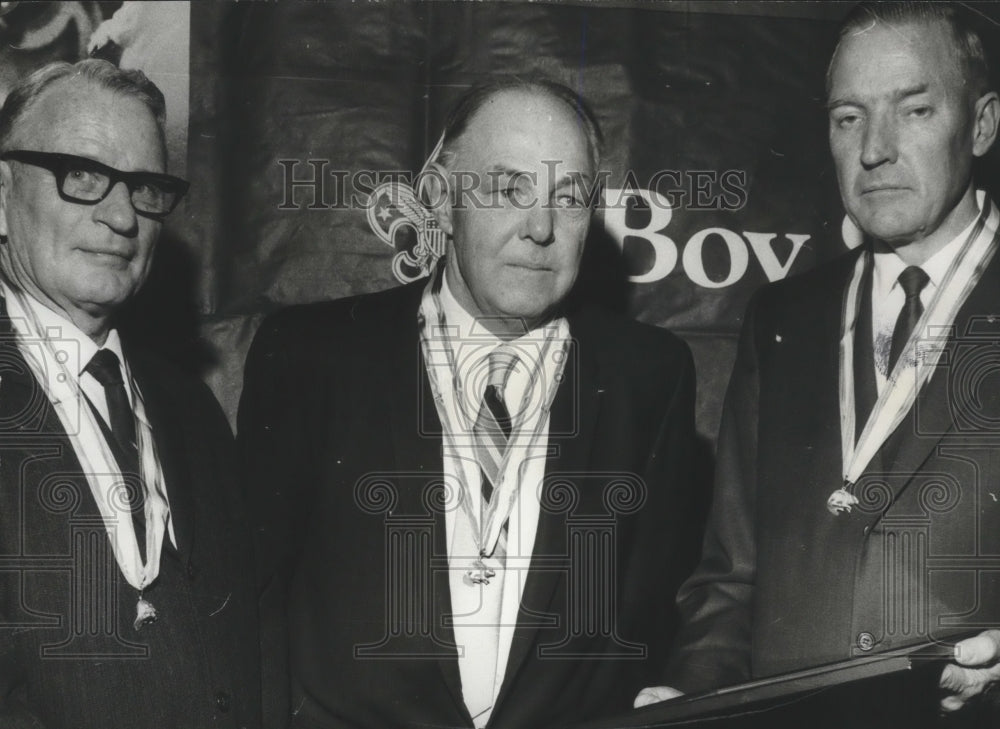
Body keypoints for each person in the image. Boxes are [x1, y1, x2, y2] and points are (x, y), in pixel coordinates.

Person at [238, 79, 703, 728]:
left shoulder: (648, 376)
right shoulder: (313, 356)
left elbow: (664, 605)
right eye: (509, 188)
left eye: (567, 197)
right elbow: (252, 597)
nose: (540, 227)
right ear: (440, 202)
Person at [637, 1, 1000, 723]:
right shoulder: (782, 318)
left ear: (984, 123)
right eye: (848, 118)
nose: (874, 149)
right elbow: (731, 577)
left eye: (915, 111)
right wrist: (689, 693)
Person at [0, 60, 260, 728]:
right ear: (2, 194)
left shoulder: (190, 406)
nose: (121, 216)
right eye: (82, 176)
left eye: (144, 188)